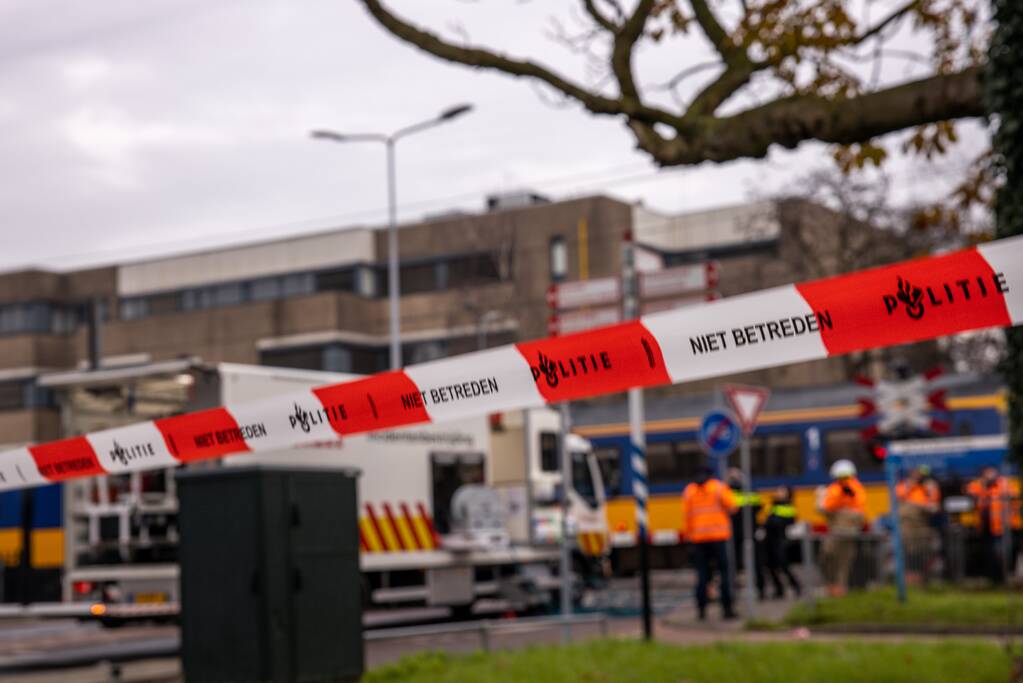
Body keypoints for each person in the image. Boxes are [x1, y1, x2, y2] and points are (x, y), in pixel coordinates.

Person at [682, 465, 738, 620]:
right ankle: (727, 609)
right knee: (724, 573)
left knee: (702, 576)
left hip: (699, 539)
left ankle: (701, 611)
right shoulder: (718, 488)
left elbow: (687, 517)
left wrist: (689, 536)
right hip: (719, 537)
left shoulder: (689, 491)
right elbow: (733, 507)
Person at [820, 459, 866, 597]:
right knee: (828, 557)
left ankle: (840, 591)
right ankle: (832, 587)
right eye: (841, 478)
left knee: (844, 563)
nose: (844, 481)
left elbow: (859, 509)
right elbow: (827, 507)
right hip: (835, 532)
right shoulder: (834, 489)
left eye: (847, 478)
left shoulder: (856, 489)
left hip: (849, 532)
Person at [967, 466, 1021, 584]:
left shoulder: (1004, 485)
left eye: (991, 473)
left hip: (1003, 527)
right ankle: (996, 578)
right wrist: (984, 485)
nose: (989, 476)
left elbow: (1015, 498)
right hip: (987, 527)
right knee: (991, 553)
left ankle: (1004, 576)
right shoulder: (981, 485)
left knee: (1003, 552)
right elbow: (970, 490)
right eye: (986, 474)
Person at [896, 466, 941, 584]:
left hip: (922, 525)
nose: (918, 476)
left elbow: (933, 506)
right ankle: (909, 579)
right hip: (907, 525)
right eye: (916, 473)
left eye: (921, 474)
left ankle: (922, 578)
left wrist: (929, 491)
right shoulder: (904, 485)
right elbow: (900, 499)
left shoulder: (928, 487)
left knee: (922, 551)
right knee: (908, 551)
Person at [726, 467, 765, 600]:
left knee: (733, 563)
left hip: (734, 534)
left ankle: (733, 591)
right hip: (750, 532)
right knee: (755, 563)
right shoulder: (750, 493)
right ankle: (761, 590)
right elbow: (759, 507)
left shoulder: (727, 494)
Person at [764, 485, 801, 599]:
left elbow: (784, 521)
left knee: (783, 565)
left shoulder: (788, 507)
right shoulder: (774, 506)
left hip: (780, 539)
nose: (778, 493)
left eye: (781, 491)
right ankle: (779, 588)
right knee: (770, 566)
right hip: (770, 539)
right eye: (778, 490)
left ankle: (796, 585)